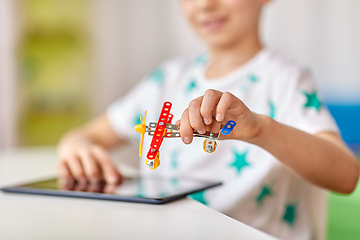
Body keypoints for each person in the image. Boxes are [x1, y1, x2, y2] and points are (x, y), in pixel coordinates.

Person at [57, 0, 359, 239]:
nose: (205, 4)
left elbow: (345, 175)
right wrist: (76, 149)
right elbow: (84, 136)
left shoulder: (286, 81)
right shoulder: (166, 79)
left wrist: (260, 129)